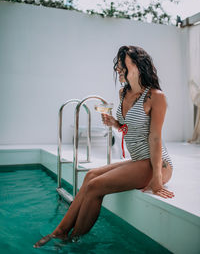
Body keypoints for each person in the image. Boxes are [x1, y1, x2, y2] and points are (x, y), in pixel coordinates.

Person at [34, 45, 174, 248]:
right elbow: (130, 125)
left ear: (136, 65)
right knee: (90, 175)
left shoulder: (156, 96)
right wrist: (115, 124)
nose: (117, 67)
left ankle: (74, 241)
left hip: (157, 164)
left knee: (94, 186)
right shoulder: (123, 93)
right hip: (139, 161)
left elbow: (155, 138)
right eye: (117, 63)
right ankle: (60, 231)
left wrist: (157, 181)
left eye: (121, 62)